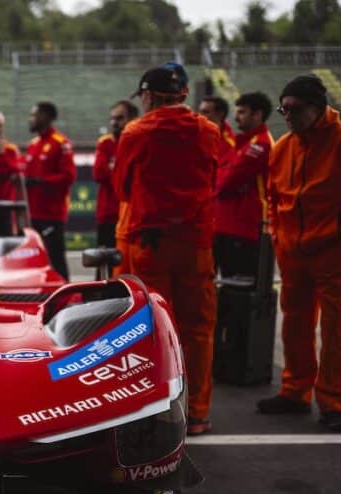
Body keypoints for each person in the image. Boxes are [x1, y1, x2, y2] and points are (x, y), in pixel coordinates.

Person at [258, 75, 341, 433]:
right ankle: (294, 391)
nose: (286, 116)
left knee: (335, 330)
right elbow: (274, 196)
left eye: (294, 109)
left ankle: (333, 403)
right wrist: (279, 236)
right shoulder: (283, 147)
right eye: (283, 109)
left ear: (317, 108)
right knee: (295, 324)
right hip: (293, 254)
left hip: (335, 253)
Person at [112, 65, 221, 435]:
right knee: (199, 328)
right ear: (184, 94)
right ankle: (199, 412)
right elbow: (214, 179)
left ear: (148, 95)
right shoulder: (209, 130)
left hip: (151, 244)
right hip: (196, 243)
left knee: (149, 329)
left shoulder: (136, 132)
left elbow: (122, 187)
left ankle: (153, 410)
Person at [213, 92, 275, 279]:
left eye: (242, 112)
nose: (236, 117)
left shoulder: (260, 145)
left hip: (246, 227)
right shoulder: (244, 143)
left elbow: (225, 182)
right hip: (232, 225)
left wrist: (219, 180)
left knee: (240, 288)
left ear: (257, 115)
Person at [23, 101, 77, 279]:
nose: (31, 119)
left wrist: (41, 181)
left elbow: (68, 177)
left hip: (51, 215)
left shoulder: (61, 143)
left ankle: (68, 298)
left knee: (56, 259)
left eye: (34, 115)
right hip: (32, 215)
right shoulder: (33, 144)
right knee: (32, 261)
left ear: (46, 117)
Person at [92, 100, 139, 248]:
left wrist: (114, 170)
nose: (114, 122)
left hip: (134, 216)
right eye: (112, 118)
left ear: (132, 119)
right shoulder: (105, 143)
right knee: (104, 264)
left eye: (119, 118)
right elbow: (99, 173)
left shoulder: (140, 141)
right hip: (109, 214)